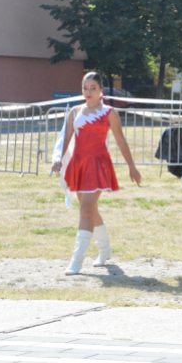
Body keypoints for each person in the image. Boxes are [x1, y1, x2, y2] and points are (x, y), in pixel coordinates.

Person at [52, 72, 141, 275]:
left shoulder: (110, 113)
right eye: (85, 88)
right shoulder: (74, 112)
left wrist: (132, 167)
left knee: (85, 210)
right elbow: (65, 140)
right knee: (89, 210)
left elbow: (120, 141)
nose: (89, 92)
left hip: (98, 165)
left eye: (93, 88)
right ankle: (105, 250)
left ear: (101, 90)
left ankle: (76, 260)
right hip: (79, 165)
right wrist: (58, 159)